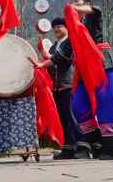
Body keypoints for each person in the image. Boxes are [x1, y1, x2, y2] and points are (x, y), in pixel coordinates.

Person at [31, 0, 113, 160]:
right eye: (70, 2)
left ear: (85, 4)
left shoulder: (93, 16)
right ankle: (97, 142)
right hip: (83, 70)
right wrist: (41, 65)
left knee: (107, 104)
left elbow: (95, 10)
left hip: (103, 62)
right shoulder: (73, 30)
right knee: (78, 105)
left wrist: (73, 9)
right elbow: (59, 56)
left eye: (76, 1)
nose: (72, 4)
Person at [36, 17, 76, 159]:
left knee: (71, 117)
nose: (57, 29)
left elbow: (57, 59)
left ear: (66, 28)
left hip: (68, 84)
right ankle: (68, 148)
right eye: (55, 27)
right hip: (57, 87)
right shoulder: (54, 45)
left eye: (60, 26)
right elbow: (50, 61)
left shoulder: (69, 42)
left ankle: (78, 147)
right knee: (63, 119)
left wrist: (44, 57)